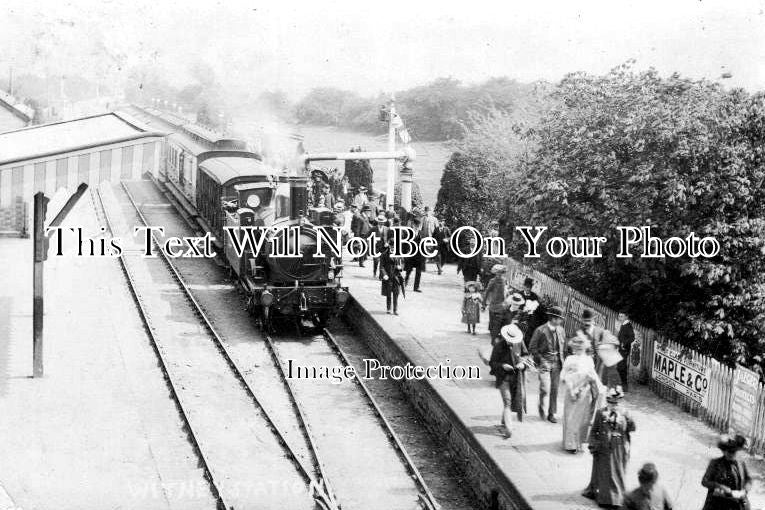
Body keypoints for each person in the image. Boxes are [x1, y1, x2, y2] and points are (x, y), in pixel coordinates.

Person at [583, 387, 635, 508]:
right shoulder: (601, 413)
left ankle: (617, 499)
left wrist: (629, 419)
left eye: (616, 402)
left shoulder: (625, 413)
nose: (614, 405)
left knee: (618, 473)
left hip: (619, 448)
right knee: (606, 473)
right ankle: (605, 499)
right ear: (607, 401)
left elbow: (632, 428)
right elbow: (593, 430)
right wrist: (593, 444)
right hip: (604, 448)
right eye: (611, 402)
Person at [561, 333, 603, 453]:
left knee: (581, 419)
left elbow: (593, 374)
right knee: (570, 418)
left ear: (585, 348)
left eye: (580, 348)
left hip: (584, 392)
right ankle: (570, 445)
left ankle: (578, 443)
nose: (578, 350)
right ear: (573, 348)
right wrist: (568, 379)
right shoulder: (569, 359)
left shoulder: (589, 360)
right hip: (571, 391)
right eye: (576, 348)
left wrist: (600, 386)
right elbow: (563, 374)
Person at [489, 323, 531, 439]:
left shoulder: (520, 343)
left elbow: (526, 356)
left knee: (512, 400)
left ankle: (504, 420)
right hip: (503, 379)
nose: (511, 342)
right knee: (507, 401)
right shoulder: (498, 346)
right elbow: (492, 363)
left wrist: (523, 364)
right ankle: (509, 428)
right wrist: (502, 365)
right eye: (509, 340)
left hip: (516, 378)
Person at [528, 305, 567, 423]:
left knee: (554, 389)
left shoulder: (561, 330)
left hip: (557, 362)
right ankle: (541, 402)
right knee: (545, 388)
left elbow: (563, 347)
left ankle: (551, 413)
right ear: (552, 318)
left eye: (560, 319)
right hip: (544, 361)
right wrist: (540, 359)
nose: (559, 321)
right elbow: (532, 347)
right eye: (558, 318)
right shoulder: (540, 330)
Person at [701, 434, 752, 510]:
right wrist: (719, 486)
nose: (731, 454)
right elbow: (704, 481)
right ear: (724, 451)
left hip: (737, 502)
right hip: (718, 502)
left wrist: (745, 489)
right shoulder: (715, 463)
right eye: (729, 451)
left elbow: (748, 479)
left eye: (733, 452)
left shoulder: (741, 464)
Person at [483, 264, 508, 344]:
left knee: (497, 324)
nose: (499, 275)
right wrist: (484, 303)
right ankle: (493, 338)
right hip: (493, 305)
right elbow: (487, 292)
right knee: (492, 323)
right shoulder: (492, 281)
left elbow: (506, 292)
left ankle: (494, 340)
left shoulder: (504, 281)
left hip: (501, 305)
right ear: (495, 273)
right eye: (497, 273)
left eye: (500, 273)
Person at [379, 238, 405, 315]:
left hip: (396, 277)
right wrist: (384, 274)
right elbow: (381, 266)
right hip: (388, 277)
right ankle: (388, 308)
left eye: (394, 246)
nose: (393, 248)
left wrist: (401, 267)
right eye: (391, 246)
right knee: (389, 294)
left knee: (396, 294)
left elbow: (403, 263)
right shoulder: (384, 255)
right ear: (389, 246)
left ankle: (395, 310)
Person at [404, 219, 425, 292]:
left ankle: (416, 287)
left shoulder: (421, 233)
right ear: (413, 225)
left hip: (419, 256)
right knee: (408, 271)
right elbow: (405, 244)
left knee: (418, 272)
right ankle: (405, 283)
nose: (417, 227)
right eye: (416, 225)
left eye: (418, 226)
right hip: (411, 255)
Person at [616, 311, 634, 392]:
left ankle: (624, 386)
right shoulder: (623, 325)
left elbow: (632, 338)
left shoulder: (628, 326)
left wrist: (624, 343)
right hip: (620, 349)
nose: (620, 318)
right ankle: (621, 384)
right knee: (620, 367)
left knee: (622, 367)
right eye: (619, 316)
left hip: (624, 350)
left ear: (626, 317)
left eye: (621, 316)